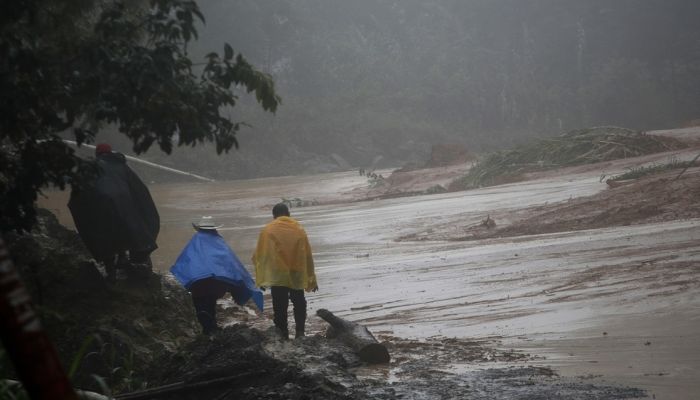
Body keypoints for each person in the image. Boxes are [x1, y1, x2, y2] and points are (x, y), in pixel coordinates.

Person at [68, 143, 160, 282]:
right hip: (124, 207)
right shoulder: (121, 166)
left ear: (97, 154)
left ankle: (111, 274)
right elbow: (139, 190)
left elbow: (78, 193)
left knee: (105, 237)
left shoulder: (88, 167)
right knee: (125, 229)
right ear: (110, 152)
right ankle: (123, 260)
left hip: (100, 207)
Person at [170, 216, 263, 334]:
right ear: (213, 229)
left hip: (198, 283)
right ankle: (212, 325)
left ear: (199, 229)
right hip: (215, 284)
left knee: (201, 305)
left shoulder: (195, 241)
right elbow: (230, 262)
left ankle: (206, 327)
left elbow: (186, 260)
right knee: (211, 303)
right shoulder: (218, 241)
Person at [253, 203, 318, 340]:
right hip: (296, 272)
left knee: (279, 304)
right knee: (299, 301)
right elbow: (307, 255)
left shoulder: (268, 230)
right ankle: (300, 332)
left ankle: (283, 334)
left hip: (278, 274)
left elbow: (261, 255)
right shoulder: (298, 229)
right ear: (288, 214)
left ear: (274, 216)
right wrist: (311, 278)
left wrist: (263, 278)